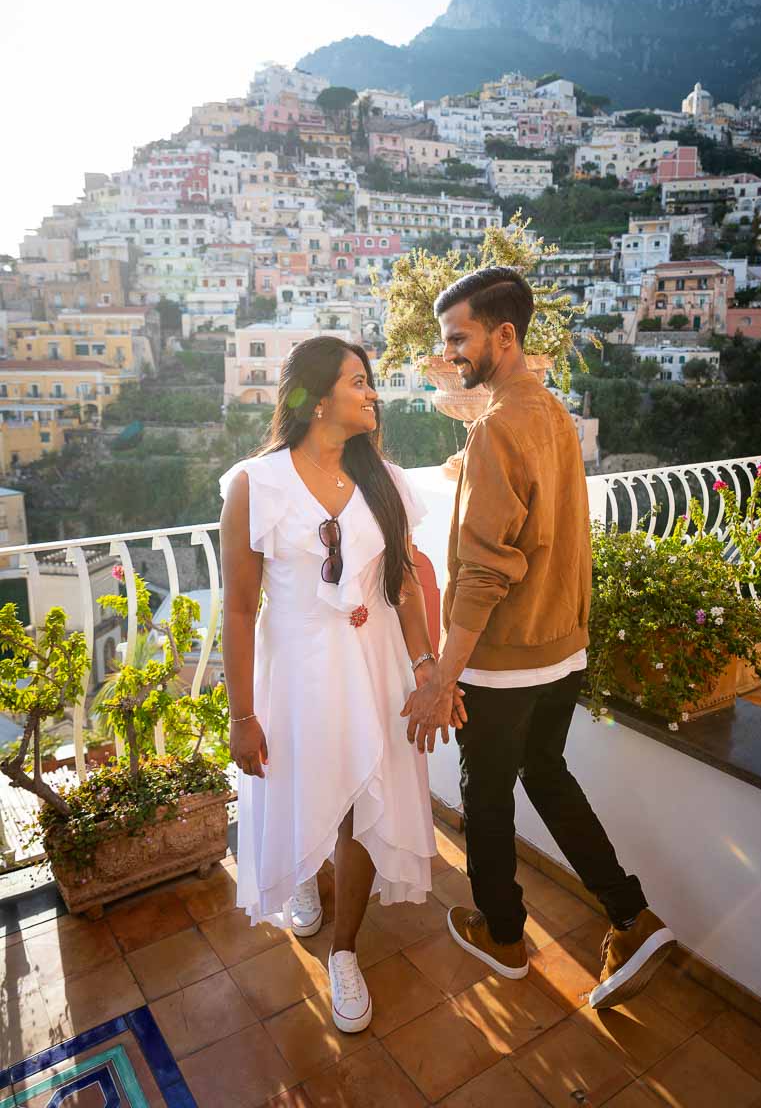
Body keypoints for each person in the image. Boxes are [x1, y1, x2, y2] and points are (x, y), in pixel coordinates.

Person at [402, 266, 676, 1010]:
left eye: (457, 338)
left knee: (484, 800)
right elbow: (539, 517)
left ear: (504, 335)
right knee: (546, 774)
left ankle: (504, 937)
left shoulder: (500, 427)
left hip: (506, 661)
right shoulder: (550, 412)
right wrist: (469, 460)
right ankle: (630, 914)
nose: (449, 352)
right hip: (562, 650)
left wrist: (439, 680)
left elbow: (484, 572)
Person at [219, 336, 455, 1033]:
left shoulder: (386, 481)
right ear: (318, 398)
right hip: (294, 673)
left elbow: (406, 585)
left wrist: (425, 666)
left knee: (361, 801)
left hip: (374, 665)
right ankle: (304, 880)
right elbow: (238, 606)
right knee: (303, 785)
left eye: (370, 382)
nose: (372, 394)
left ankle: (345, 952)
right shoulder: (254, 485)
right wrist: (241, 715)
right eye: (358, 382)